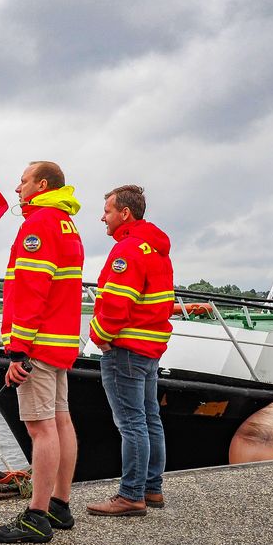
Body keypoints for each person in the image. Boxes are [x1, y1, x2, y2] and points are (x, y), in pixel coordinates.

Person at [0, 161, 83, 544]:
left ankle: (36, 515)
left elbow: (31, 290)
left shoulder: (40, 223)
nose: (17, 188)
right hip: (60, 343)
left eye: (23, 181)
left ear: (41, 184)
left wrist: (17, 352)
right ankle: (60, 504)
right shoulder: (67, 223)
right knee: (61, 421)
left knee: (40, 428)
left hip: (38, 345)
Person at [85, 185, 173, 517]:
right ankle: (151, 489)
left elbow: (117, 305)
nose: (102, 218)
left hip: (125, 349)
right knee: (150, 419)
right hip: (149, 348)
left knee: (132, 423)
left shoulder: (128, 250)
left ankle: (131, 495)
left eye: (107, 211)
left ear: (124, 214)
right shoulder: (156, 249)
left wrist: (99, 336)